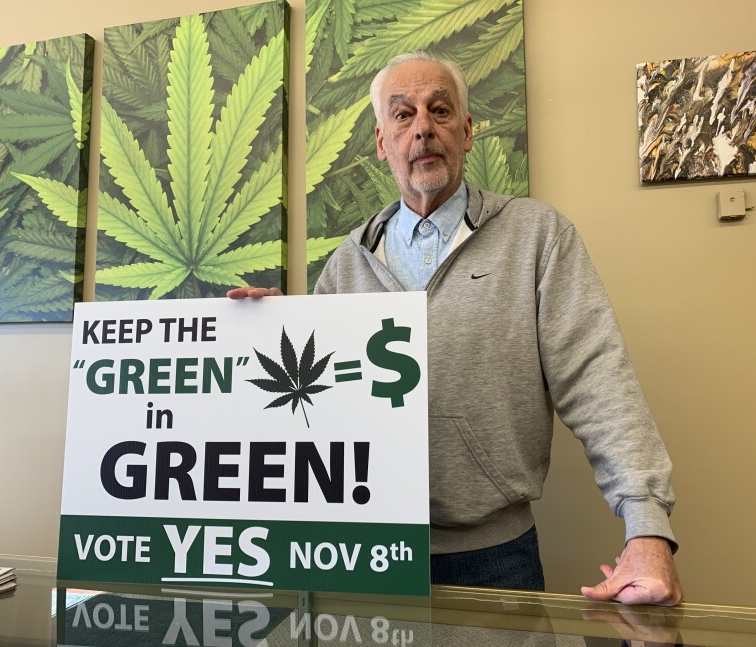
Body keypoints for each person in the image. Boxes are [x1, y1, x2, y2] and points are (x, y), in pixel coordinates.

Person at [229, 52, 682, 606]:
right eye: (403, 115)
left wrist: (648, 527)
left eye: (439, 110)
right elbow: (317, 414)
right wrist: (275, 332)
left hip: (496, 558)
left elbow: (600, 381)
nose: (423, 127)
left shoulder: (537, 238)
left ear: (466, 132)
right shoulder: (346, 265)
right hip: (358, 551)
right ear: (382, 143)